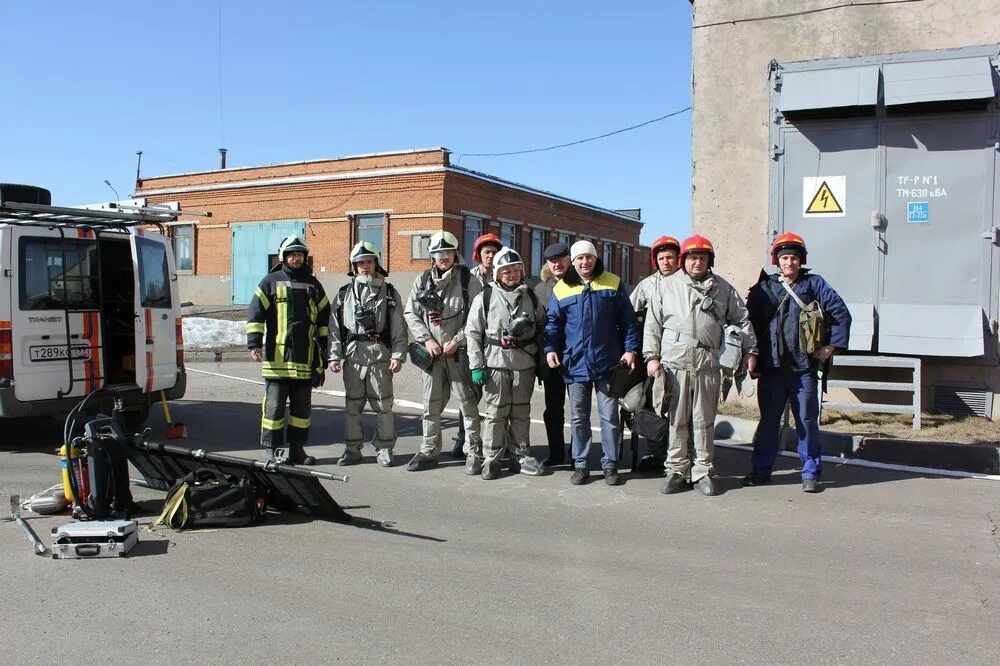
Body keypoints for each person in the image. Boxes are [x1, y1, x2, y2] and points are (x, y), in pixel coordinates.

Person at [644, 234, 757, 496]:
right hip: (675, 364)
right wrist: (651, 357)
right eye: (692, 257)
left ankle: (703, 471)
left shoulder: (724, 289)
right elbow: (652, 324)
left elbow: (742, 319)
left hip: (707, 366)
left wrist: (750, 350)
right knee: (677, 420)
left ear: (710, 261)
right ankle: (676, 470)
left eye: (702, 258)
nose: (697, 262)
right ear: (684, 260)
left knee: (704, 421)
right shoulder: (667, 286)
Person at [744, 232, 851, 493]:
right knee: (768, 421)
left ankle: (811, 472)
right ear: (776, 261)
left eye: (793, 258)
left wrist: (830, 347)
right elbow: (749, 324)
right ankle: (761, 471)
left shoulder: (814, 284)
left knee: (806, 420)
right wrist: (751, 355)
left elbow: (840, 312)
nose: (789, 263)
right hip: (772, 369)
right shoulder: (764, 289)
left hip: (803, 369)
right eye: (784, 258)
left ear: (801, 260)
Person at [544, 240, 640, 486]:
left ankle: (610, 465)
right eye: (579, 259)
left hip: (608, 363)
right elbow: (553, 323)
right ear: (573, 262)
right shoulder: (562, 289)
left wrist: (630, 350)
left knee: (609, 417)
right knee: (578, 417)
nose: (585, 262)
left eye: (589, 257)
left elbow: (628, 321)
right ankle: (582, 464)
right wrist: (550, 349)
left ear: (596, 259)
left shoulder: (613, 282)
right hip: (574, 363)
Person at [403, 230, 484, 471]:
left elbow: (476, 318)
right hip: (432, 356)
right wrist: (426, 339)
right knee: (431, 406)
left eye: (447, 252)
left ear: (455, 254)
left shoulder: (470, 281)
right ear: (432, 256)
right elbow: (411, 313)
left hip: (458, 355)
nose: (443, 257)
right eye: (438, 253)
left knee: (468, 404)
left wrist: (457, 341)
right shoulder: (422, 280)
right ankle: (429, 451)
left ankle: (473, 452)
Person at [246, 235, 330, 465]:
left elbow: (324, 320)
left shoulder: (313, 284)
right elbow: (255, 314)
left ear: (305, 257)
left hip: (305, 359)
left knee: (301, 412)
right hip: (277, 360)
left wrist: (324, 353)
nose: (296, 258)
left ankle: (297, 450)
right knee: (273, 410)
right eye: (292, 254)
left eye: (300, 254)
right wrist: (254, 342)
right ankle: (271, 450)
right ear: (284, 257)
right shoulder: (270, 281)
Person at [466, 247, 545, 479]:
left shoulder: (531, 297)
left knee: (521, 411)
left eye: (516, 270)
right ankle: (492, 456)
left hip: (524, 363)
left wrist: (540, 361)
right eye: (506, 271)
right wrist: (476, 365)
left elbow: (542, 329)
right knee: (495, 413)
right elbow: (472, 332)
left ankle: (520, 454)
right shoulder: (485, 297)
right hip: (495, 364)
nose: (511, 275)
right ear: (497, 274)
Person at [328, 242, 407, 468]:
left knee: (383, 405)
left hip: (379, 355)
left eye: (369, 261)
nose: (365, 266)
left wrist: (398, 355)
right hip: (353, 356)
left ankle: (385, 448)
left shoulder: (390, 292)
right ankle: (353, 449)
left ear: (376, 263)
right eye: (360, 262)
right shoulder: (344, 293)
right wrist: (334, 356)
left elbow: (399, 327)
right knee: (353, 406)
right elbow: (335, 328)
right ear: (354, 266)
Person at [448, 232, 503, 457]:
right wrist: (459, 340)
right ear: (478, 255)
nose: (490, 256)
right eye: (486, 252)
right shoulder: (466, 279)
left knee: (496, 398)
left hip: (494, 348)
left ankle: (497, 442)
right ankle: (465, 439)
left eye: (494, 252)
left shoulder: (505, 277)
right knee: (467, 398)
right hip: (468, 346)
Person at [629, 235, 681, 474]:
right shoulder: (647, 285)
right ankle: (656, 453)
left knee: (681, 407)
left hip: (680, 355)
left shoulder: (687, 284)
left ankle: (681, 455)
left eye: (670, 257)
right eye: (661, 258)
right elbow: (630, 315)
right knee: (652, 406)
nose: (666, 262)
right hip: (651, 356)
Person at [533, 242, 571, 466]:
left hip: (577, 357)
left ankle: (579, 455)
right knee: (553, 408)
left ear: (569, 259)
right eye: (552, 260)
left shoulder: (582, 283)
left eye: (561, 259)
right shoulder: (540, 289)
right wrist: (541, 359)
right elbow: (538, 326)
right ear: (547, 263)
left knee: (579, 409)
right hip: (551, 358)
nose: (557, 264)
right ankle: (556, 453)